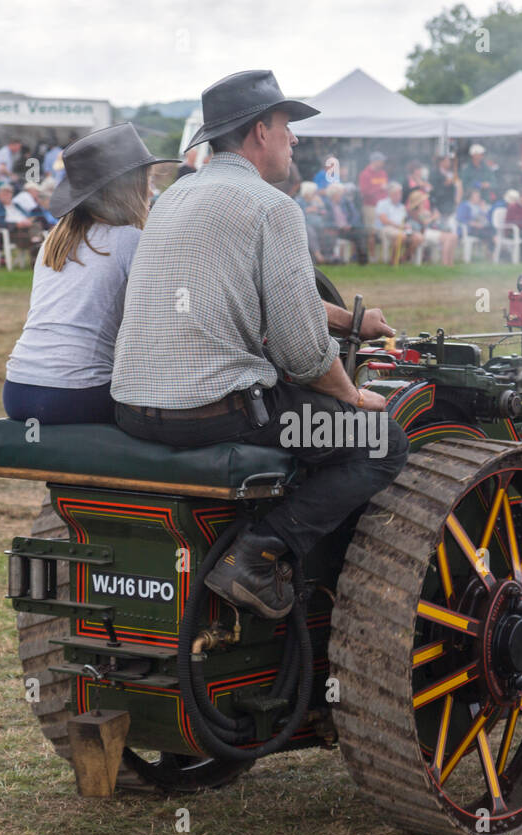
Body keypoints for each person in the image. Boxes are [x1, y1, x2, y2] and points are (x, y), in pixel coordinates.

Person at [112, 69, 407, 620]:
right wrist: (351, 395)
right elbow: (301, 352)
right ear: (258, 133)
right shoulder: (274, 207)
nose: (294, 138)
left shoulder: (175, 198)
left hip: (134, 409)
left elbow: (261, 295)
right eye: (286, 125)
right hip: (211, 414)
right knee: (379, 441)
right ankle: (258, 554)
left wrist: (352, 323)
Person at [4, 123, 176, 427]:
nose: (151, 191)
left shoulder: (54, 238)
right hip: (77, 394)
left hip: (18, 389)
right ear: (127, 188)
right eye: (146, 181)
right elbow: (159, 325)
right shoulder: (128, 239)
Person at [405, 190, 457, 265]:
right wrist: (433, 217)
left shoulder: (423, 211)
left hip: (429, 232)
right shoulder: (413, 212)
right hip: (422, 233)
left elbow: (431, 222)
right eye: (422, 201)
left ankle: (450, 262)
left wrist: (433, 217)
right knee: (448, 238)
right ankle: (445, 263)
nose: (424, 202)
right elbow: (424, 222)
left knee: (453, 237)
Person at [322, 182, 369, 264]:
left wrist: (350, 225)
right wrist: (338, 226)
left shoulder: (346, 203)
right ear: (333, 195)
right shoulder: (326, 205)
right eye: (339, 194)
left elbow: (355, 215)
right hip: (335, 230)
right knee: (329, 236)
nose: (341, 196)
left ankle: (363, 260)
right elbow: (325, 220)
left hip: (348, 229)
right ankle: (333, 260)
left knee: (360, 234)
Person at [375, 181, 421, 263]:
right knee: (401, 236)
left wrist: (407, 226)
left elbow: (405, 220)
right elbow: (384, 221)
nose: (399, 196)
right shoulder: (382, 204)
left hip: (401, 229)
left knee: (418, 238)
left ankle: (403, 258)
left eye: (400, 193)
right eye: (397, 194)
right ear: (390, 194)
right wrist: (399, 226)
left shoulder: (402, 207)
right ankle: (393, 260)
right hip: (387, 228)